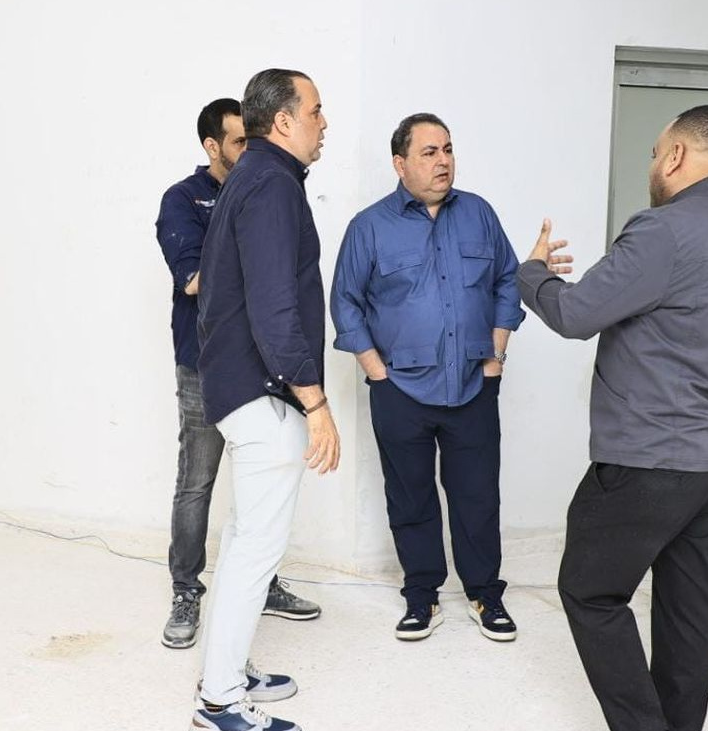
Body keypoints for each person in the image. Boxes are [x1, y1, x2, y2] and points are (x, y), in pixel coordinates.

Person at [519, 105, 708, 731]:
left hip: (648, 463)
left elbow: (575, 314)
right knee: (687, 608)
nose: (653, 165)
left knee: (590, 591)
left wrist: (532, 274)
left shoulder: (662, 231)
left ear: (677, 156)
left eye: (656, 153)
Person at [330, 113, 524, 642]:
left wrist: (496, 355)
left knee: (477, 496)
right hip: (400, 390)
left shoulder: (479, 213)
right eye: (429, 152)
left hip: (473, 384)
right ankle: (422, 595)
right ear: (400, 163)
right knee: (410, 497)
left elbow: (507, 280)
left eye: (448, 149)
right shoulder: (369, 226)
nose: (443, 162)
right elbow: (345, 302)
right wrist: (376, 372)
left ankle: (485, 594)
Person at [191, 68, 338, 731]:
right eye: (315, 110)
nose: (323, 122)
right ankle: (220, 701)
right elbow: (275, 310)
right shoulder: (273, 185)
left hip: (240, 387)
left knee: (242, 541)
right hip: (264, 393)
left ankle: (227, 669)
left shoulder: (251, 177)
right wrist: (315, 403)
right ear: (283, 120)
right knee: (255, 550)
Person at [154, 99, 321, 652]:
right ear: (212, 146)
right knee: (198, 482)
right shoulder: (187, 199)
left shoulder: (255, 187)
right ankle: (186, 590)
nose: (249, 148)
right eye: (238, 141)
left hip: (261, 367)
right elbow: (196, 280)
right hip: (204, 364)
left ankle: (259, 586)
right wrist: (249, 248)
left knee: (257, 502)